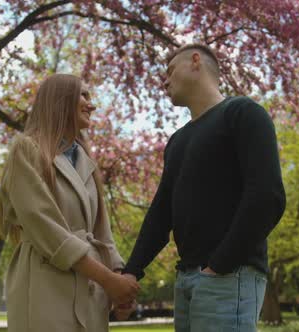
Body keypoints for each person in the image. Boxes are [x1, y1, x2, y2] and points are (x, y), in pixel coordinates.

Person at [122, 44, 286, 332]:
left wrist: (219, 266)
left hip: (229, 276)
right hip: (186, 279)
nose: (164, 80)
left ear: (196, 61)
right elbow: (161, 213)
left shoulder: (242, 113)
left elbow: (267, 196)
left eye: (170, 70)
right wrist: (130, 273)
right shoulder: (177, 141)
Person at [0, 74, 139, 332]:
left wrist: (118, 281)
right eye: (83, 95)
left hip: (91, 289)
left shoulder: (86, 161)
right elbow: (46, 229)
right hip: (45, 287)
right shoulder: (26, 151)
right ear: (60, 99)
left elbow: (102, 231)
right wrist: (108, 280)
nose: (91, 104)